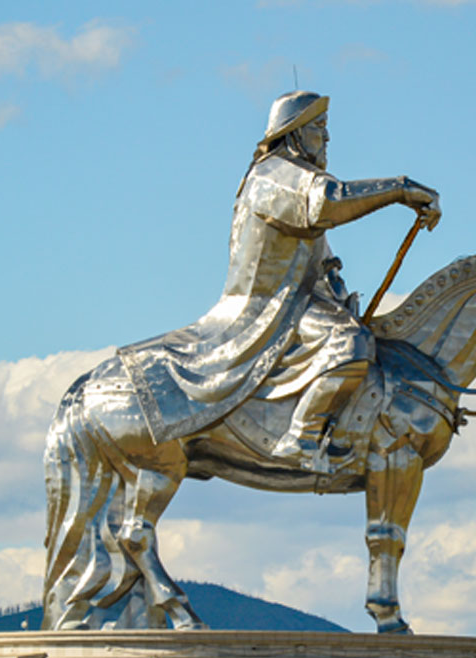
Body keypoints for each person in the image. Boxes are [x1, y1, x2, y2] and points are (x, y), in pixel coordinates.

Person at [119, 90, 440, 472]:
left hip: (298, 302)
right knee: (349, 342)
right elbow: (327, 202)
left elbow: (319, 254)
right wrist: (400, 188)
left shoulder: (296, 177)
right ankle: (301, 438)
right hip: (272, 308)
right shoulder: (276, 174)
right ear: (295, 132)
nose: (327, 139)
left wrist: (336, 288)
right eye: (319, 128)